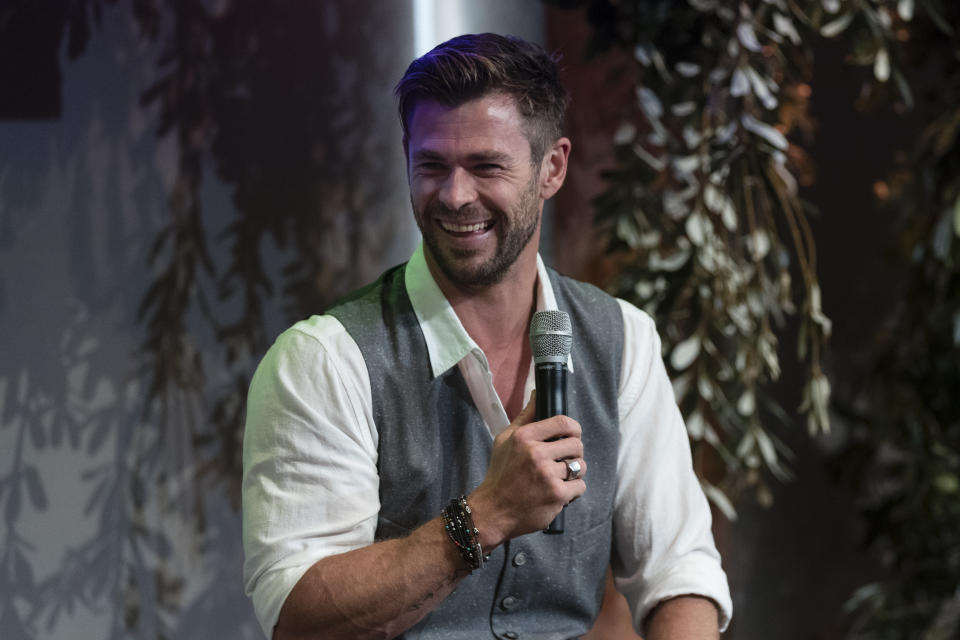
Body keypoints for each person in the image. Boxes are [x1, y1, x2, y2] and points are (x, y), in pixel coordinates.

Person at [242, 33, 732, 640]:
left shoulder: (622, 340)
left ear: (552, 168)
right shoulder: (323, 360)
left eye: (485, 166)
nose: (454, 195)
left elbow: (679, 573)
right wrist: (488, 514)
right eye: (432, 165)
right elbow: (299, 619)